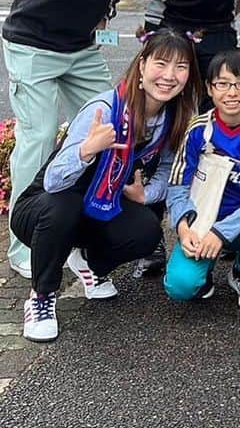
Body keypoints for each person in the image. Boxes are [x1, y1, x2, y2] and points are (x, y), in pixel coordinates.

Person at [2, 0, 154, 278]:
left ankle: (85, 232)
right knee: (40, 135)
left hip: (81, 45)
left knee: (114, 127)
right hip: (33, 42)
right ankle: (25, 246)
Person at [11, 28, 199, 341]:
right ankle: (42, 297)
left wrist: (146, 193)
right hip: (45, 208)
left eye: (180, 67)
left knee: (146, 229)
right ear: (141, 65)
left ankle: (87, 262)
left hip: (100, 207)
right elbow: (53, 180)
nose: (169, 76)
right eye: (161, 64)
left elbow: (168, 170)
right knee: (64, 204)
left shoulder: (173, 118)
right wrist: (87, 150)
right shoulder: (105, 109)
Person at [165, 48, 240, 311]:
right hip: (203, 221)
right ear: (209, 88)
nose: (232, 93)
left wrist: (221, 232)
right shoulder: (198, 129)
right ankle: (202, 275)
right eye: (223, 84)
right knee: (180, 286)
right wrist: (184, 228)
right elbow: (177, 186)